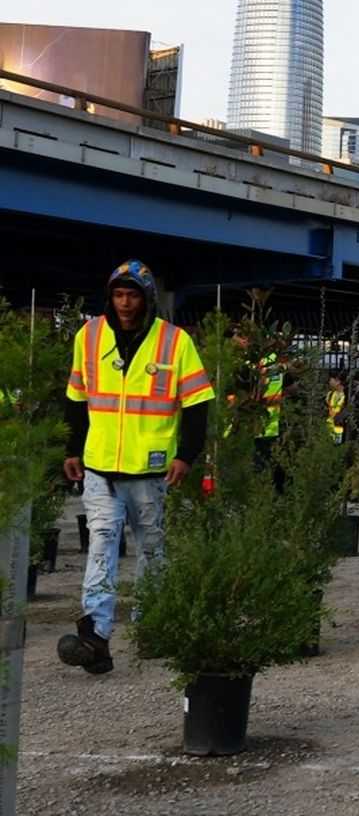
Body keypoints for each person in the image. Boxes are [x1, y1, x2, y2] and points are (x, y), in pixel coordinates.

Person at [57, 260, 213, 675]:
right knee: (101, 546)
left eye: (133, 295)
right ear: (110, 297)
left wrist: (186, 456)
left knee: (151, 550)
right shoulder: (88, 337)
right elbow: (76, 397)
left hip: (153, 472)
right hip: (101, 468)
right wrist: (73, 448)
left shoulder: (174, 342)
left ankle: (152, 625)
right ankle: (95, 636)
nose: (125, 303)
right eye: (119, 295)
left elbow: (198, 403)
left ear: (147, 299)